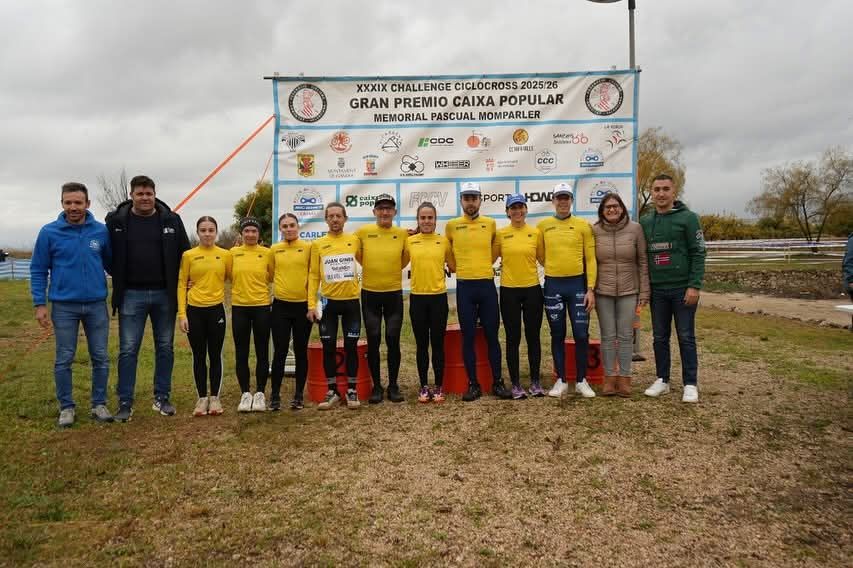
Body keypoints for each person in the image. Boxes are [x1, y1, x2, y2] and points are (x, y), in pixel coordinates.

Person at [106, 175, 190, 421]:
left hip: (165, 294)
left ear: (155, 195)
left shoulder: (172, 220)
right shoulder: (116, 221)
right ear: (131, 195)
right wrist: (119, 275)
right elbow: (107, 255)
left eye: (149, 194)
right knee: (128, 349)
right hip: (131, 295)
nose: (145, 198)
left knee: (165, 347)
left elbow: (185, 254)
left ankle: (162, 398)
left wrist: (189, 279)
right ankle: (125, 402)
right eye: (140, 194)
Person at [30, 182, 113, 427]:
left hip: (96, 305)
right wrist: (39, 304)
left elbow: (112, 264)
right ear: (62, 204)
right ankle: (66, 407)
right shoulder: (49, 232)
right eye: (68, 202)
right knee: (64, 357)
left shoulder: (101, 231)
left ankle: (99, 404)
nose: (73, 207)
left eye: (78, 202)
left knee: (100, 356)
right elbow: (38, 269)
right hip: (64, 306)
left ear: (88, 204)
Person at [641, 174, 706, 403]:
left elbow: (699, 252)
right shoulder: (645, 222)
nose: (661, 193)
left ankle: (690, 383)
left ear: (674, 192)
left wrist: (694, 285)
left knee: (686, 336)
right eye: (657, 189)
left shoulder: (689, 218)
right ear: (651, 192)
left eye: (665, 189)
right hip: (657, 291)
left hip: (682, 289)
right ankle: (663, 380)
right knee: (659, 337)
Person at [446, 182, 510, 401]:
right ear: (461, 201)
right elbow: (447, 252)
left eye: (474, 198)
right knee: (468, 337)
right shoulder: (452, 225)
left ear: (480, 200)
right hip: (465, 287)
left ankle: (498, 382)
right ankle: (473, 384)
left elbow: (493, 252)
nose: (470, 202)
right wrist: (456, 267)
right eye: (467, 198)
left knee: (492, 335)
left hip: (486, 286)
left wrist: (482, 266)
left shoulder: (490, 224)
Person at [538, 183, 597, 399]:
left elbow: (590, 259)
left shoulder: (583, 226)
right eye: (559, 198)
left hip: (577, 286)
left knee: (581, 334)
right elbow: (541, 255)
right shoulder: (543, 226)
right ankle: (561, 379)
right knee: (557, 333)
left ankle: (581, 380)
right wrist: (555, 268)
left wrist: (590, 289)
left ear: (571, 200)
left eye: (566, 197)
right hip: (553, 285)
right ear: (553, 200)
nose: (562, 201)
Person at [592, 192, 650, 397]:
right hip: (603, 291)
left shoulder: (635, 229)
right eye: (607, 207)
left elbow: (643, 261)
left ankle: (625, 378)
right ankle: (609, 378)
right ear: (602, 211)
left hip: (629, 291)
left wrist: (644, 291)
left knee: (626, 336)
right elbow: (590, 261)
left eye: (615, 206)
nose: (612, 210)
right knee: (607, 336)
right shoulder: (594, 231)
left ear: (622, 208)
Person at [307, 202, 362, 410]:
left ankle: (352, 390)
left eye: (339, 216)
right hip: (328, 303)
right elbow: (313, 275)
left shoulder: (354, 240)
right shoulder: (318, 244)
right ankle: (332, 391)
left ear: (345, 218)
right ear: (326, 219)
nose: (335, 219)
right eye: (331, 216)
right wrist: (311, 305)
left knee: (351, 347)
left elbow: (368, 259)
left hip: (351, 302)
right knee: (328, 347)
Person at [356, 194, 410, 404]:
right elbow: (358, 256)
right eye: (381, 208)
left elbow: (404, 259)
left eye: (388, 208)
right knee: (374, 338)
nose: (385, 212)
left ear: (394, 212)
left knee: (393, 338)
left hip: (393, 293)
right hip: (370, 293)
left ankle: (393, 386)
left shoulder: (402, 234)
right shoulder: (362, 232)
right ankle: (377, 386)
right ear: (374, 212)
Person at [178, 217, 231, 417]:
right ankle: (201, 398)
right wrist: (182, 314)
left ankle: (215, 398)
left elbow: (232, 277)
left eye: (211, 230)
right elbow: (181, 284)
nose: (207, 234)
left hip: (216, 310)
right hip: (194, 311)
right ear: (198, 232)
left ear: (216, 232)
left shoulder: (225, 255)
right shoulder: (189, 255)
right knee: (199, 355)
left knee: (215, 354)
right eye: (203, 230)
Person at [493, 194, 545, 399]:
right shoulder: (500, 234)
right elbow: (489, 258)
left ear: (526, 210)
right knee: (513, 338)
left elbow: (544, 259)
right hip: (509, 291)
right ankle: (515, 384)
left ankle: (535, 382)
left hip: (533, 290)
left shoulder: (536, 233)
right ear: (507, 212)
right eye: (513, 208)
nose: (517, 211)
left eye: (520, 207)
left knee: (533, 337)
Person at [408, 202, 455, 403]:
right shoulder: (409, 241)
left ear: (435, 220)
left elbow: (453, 266)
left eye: (430, 218)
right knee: (421, 345)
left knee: (437, 344)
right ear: (418, 220)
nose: (427, 221)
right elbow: (398, 261)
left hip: (438, 299)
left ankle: (438, 386)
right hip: (417, 299)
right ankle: (423, 386)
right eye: (423, 218)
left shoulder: (443, 242)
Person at [269, 213, 313, 410]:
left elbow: (313, 276)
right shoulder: (274, 249)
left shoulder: (308, 247)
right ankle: (275, 395)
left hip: (302, 307)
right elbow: (270, 273)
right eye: (284, 226)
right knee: (279, 351)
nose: (288, 229)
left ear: (298, 226)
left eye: (292, 225)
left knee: (301, 351)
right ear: (280, 229)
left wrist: (312, 305)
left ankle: (298, 395)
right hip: (281, 306)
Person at [230, 217, 273, 412]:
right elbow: (223, 274)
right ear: (241, 234)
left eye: (254, 231)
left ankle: (260, 393)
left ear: (259, 234)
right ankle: (245, 394)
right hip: (240, 307)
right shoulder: (232, 253)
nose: (250, 234)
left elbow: (272, 276)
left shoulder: (267, 253)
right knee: (241, 352)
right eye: (246, 231)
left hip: (261, 307)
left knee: (262, 351)